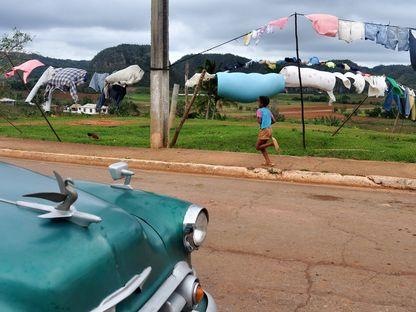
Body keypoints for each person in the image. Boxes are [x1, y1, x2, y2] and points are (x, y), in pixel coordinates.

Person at [255, 96, 280, 167]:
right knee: (262, 147)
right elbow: (274, 120)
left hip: (264, 130)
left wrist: (260, 122)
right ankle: (268, 162)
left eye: (259, 102)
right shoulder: (268, 111)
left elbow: (259, 121)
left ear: (262, 103)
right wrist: (268, 124)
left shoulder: (259, 110)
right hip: (269, 129)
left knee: (257, 147)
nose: (258, 103)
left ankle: (272, 144)